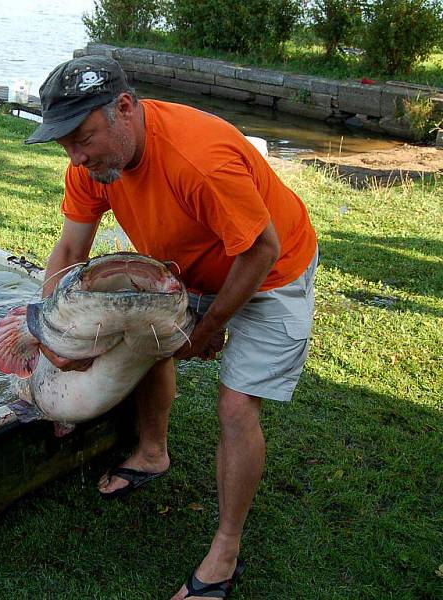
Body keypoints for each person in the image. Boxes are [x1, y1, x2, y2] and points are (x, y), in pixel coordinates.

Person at [25, 55, 318, 599]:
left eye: (83, 137)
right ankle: (152, 452)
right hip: (181, 268)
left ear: (125, 108)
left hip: (271, 270)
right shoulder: (90, 165)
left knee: (236, 404)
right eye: (65, 143)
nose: (77, 156)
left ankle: (225, 552)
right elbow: (70, 249)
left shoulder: (198, 158)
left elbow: (260, 250)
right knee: (149, 343)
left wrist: (207, 328)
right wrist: (49, 328)